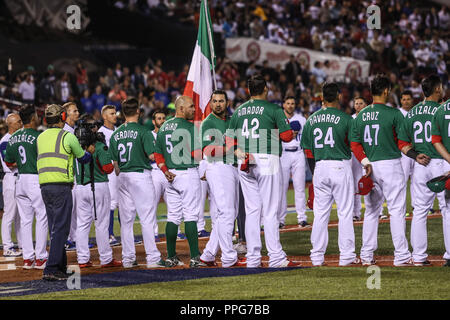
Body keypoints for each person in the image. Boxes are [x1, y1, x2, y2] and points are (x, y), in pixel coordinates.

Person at [350, 74, 430, 267]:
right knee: (396, 211)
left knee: (371, 211)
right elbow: (402, 144)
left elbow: (355, 144)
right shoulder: (394, 114)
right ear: (386, 91)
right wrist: (414, 155)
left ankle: (366, 255)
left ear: (371, 91)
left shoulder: (360, 115)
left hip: (369, 166)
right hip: (391, 166)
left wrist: (365, 161)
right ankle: (401, 255)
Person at [225, 74, 299, 268]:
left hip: (245, 160)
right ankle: (276, 257)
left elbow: (228, 139)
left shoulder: (239, 110)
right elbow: (285, 136)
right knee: (271, 210)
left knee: (252, 211)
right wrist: (291, 131)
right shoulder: (273, 109)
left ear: (249, 91)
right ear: (265, 89)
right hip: (267, 159)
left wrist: (239, 152)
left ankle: (253, 257)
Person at [301, 82, 358, 266]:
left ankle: (317, 256)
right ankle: (347, 256)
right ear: (339, 96)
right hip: (340, 166)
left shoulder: (311, 119)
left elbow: (308, 152)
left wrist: (315, 172)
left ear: (322, 98)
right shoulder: (347, 119)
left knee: (320, 214)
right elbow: (353, 145)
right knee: (345, 213)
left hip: (319, 167)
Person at [37, 104, 94, 281]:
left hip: (45, 186)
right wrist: (90, 150)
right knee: (61, 228)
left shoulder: (41, 137)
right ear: (62, 117)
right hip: (61, 185)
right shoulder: (67, 136)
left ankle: (60, 266)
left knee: (55, 227)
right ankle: (51, 268)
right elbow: (83, 158)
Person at [109, 98, 164, 268]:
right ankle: (153, 258)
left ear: (123, 113)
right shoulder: (143, 131)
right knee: (147, 219)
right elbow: (151, 156)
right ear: (138, 112)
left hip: (123, 176)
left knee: (126, 221)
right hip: (140, 175)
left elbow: (115, 163)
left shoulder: (115, 134)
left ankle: (128, 258)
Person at [398, 75, 446, 266]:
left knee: (419, 211)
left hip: (420, 164)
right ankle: (449, 254)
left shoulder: (412, 112)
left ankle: (418, 257)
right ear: (437, 90)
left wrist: (415, 155)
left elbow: (402, 142)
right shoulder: (442, 110)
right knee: (447, 209)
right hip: (441, 163)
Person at [154, 95, 206, 268]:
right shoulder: (190, 128)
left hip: (170, 176)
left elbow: (158, 154)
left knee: (173, 216)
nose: (194, 109)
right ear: (181, 108)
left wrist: (165, 171)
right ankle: (195, 257)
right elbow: (197, 154)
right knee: (191, 215)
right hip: (187, 174)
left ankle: (171, 257)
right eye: (191, 106)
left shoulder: (163, 127)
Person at [199, 90, 245, 267]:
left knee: (222, 215)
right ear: (210, 103)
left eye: (221, 101)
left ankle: (208, 254)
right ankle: (228, 256)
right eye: (215, 101)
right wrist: (230, 149)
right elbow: (208, 151)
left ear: (227, 102)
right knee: (227, 213)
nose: (218, 104)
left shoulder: (231, 121)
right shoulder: (208, 122)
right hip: (218, 167)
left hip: (231, 168)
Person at [74, 114, 122, 268]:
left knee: (82, 224)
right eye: (93, 125)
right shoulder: (99, 146)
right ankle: (106, 259)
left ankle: (82, 259)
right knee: (101, 224)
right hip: (98, 186)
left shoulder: (74, 145)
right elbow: (108, 169)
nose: (96, 127)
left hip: (80, 187)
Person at [4, 105, 48, 269]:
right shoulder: (39, 136)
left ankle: (28, 258)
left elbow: (8, 162)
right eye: (36, 115)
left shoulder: (13, 137)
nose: (38, 118)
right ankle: (41, 257)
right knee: (42, 216)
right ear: (32, 118)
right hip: (35, 179)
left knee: (25, 220)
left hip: (20, 180)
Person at [279, 96, 308, 228]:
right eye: (288, 103)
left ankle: (302, 218)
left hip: (298, 153)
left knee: (300, 187)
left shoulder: (301, 119)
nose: (290, 105)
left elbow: (307, 137)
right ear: (283, 104)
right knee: (282, 188)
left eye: (292, 103)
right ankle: (281, 220)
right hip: (283, 154)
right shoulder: (278, 118)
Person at [431, 93, 450, 267]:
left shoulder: (440, 110)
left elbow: (435, 140)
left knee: (448, 210)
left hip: (447, 162)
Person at [0, 114, 22, 257]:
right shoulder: (5, 141)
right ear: (11, 124)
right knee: (9, 214)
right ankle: (7, 246)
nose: (21, 123)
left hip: (20, 178)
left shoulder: (19, 137)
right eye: (18, 121)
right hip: (11, 178)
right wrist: (27, 162)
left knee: (21, 215)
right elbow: (10, 163)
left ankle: (22, 245)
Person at [98, 105, 120, 247]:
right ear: (104, 116)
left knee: (122, 202)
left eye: (115, 113)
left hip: (121, 171)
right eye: (111, 114)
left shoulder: (118, 131)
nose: (115, 116)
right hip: (110, 171)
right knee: (111, 202)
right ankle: (109, 235)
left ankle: (123, 234)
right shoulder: (101, 132)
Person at [62, 102, 80, 251]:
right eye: (74, 111)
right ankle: (66, 239)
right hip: (67, 175)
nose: (77, 113)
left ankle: (73, 238)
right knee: (68, 209)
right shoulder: (65, 131)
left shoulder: (72, 130)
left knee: (75, 209)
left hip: (74, 174)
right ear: (66, 114)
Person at [149, 110, 168, 242]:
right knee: (152, 204)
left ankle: (177, 232)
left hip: (167, 171)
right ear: (153, 121)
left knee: (173, 204)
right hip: (155, 172)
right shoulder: (149, 135)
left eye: (163, 118)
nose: (162, 120)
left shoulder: (169, 134)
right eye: (159, 118)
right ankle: (154, 233)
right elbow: (149, 155)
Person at [398, 90, 416, 217]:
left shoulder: (416, 112)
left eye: (408, 99)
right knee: (402, 180)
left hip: (416, 149)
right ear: (400, 101)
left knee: (417, 179)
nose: (406, 101)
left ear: (412, 100)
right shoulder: (397, 113)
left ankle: (417, 206)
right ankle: (401, 208)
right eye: (403, 99)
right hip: (403, 151)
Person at [351, 97, 367, 221]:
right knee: (356, 183)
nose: (358, 105)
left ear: (365, 104)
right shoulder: (350, 119)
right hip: (355, 154)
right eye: (356, 103)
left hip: (368, 153)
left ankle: (377, 211)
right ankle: (356, 212)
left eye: (360, 103)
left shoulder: (369, 117)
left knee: (371, 182)